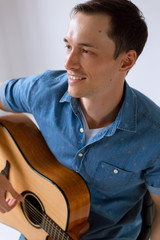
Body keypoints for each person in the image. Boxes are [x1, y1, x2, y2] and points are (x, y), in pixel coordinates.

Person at [0, 0, 160, 239]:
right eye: (68, 46)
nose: (68, 63)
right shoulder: (43, 90)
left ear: (126, 61)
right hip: (35, 231)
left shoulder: (154, 133)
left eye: (86, 51)